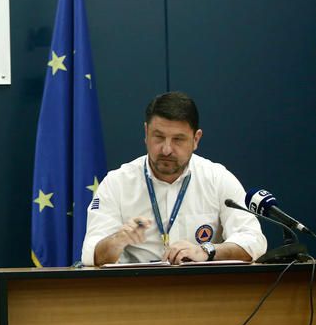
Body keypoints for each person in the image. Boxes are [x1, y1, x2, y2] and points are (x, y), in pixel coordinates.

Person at [81, 91, 267, 266]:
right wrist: (118, 240)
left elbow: (254, 241)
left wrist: (206, 250)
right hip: (137, 287)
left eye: (178, 139)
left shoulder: (218, 179)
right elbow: (90, 254)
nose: (166, 149)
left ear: (196, 139)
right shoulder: (116, 183)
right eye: (158, 137)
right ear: (146, 133)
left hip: (203, 286)